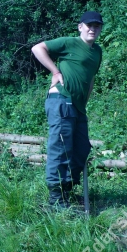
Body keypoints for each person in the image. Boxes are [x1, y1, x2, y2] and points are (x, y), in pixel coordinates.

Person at [31, 11, 103, 209]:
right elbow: (38, 48)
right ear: (80, 27)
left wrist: (84, 105)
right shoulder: (70, 43)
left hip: (78, 107)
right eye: (89, 25)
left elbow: (90, 79)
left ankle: (67, 190)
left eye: (96, 26)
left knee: (81, 149)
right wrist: (55, 71)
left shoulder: (97, 51)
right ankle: (56, 199)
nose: (92, 29)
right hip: (61, 99)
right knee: (61, 148)